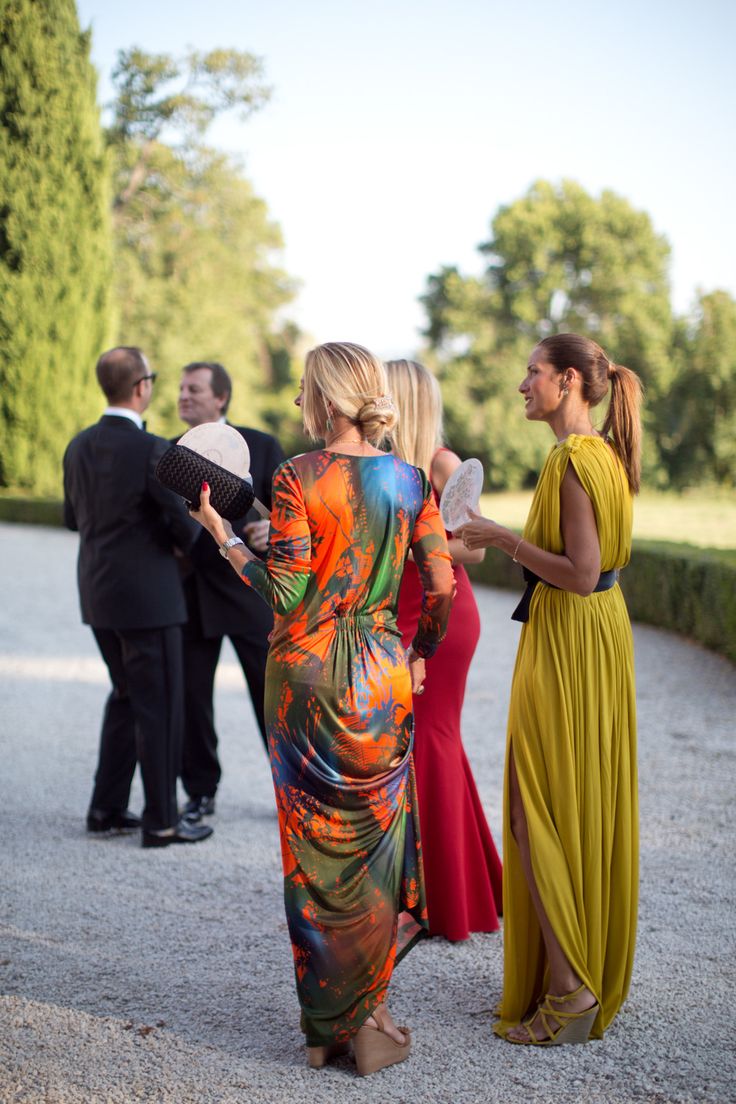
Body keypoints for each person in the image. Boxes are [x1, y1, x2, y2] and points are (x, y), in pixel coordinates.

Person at [189, 341, 455, 1075]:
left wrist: (222, 537)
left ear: (327, 400)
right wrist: (420, 649)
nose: (303, 401)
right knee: (372, 849)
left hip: (304, 678)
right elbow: (441, 584)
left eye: (308, 389)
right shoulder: (408, 479)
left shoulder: (297, 477)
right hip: (379, 676)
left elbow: (284, 594)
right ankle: (369, 1012)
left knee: (311, 854)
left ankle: (324, 1031)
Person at [459, 332, 641, 1045]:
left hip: (569, 639)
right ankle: (571, 978)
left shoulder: (570, 459)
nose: (521, 385)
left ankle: (568, 993)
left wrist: (502, 540)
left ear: (569, 381)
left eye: (532, 373)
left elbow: (577, 571)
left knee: (540, 810)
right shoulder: (608, 455)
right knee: (577, 800)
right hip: (599, 636)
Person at [62, 347, 213, 848]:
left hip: (97, 594)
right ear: (141, 387)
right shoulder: (152, 450)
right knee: (160, 704)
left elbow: (71, 519)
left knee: (126, 695)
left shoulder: (77, 446)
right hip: (150, 600)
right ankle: (162, 821)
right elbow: (182, 525)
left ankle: (105, 809)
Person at [386, 359, 503, 941]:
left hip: (444, 615)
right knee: (422, 746)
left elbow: (477, 549)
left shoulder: (442, 462)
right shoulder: (384, 463)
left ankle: (439, 905)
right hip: (399, 612)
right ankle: (458, 886)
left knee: (428, 742)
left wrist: (413, 546)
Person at [176, 361, 285, 823]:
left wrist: (272, 532)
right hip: (192, 594)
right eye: (180, 388)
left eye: (194, 388)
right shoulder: (169, 452)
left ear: (220, 397)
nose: (183, 396)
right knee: (192, 699)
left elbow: (292, 516)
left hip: (249, 590)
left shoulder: (260, 446)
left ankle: (289, 789)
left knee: (272, 696)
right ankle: (200, 792)